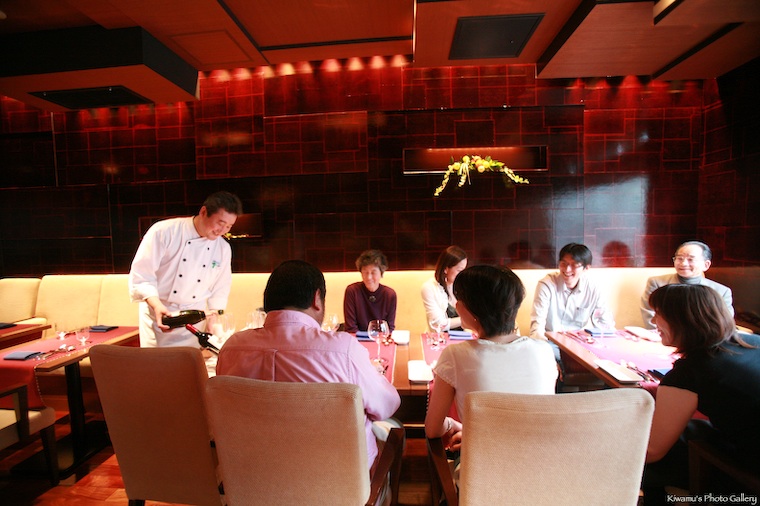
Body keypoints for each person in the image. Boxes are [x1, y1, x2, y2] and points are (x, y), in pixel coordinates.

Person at [216, 260, 401, 468]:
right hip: (339, 482)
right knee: (392, 430)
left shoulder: (231, 349)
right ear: (316, 299)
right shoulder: (343, 350)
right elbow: (387, 405)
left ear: (268, 300)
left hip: (251, 480)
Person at [642, 284, 760, 504]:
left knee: (650, 464)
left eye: (658, 314)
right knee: (690, 430)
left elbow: (652, 451)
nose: (653, 320)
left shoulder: (691, 372)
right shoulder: (754, 342)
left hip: (749, 475)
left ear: (682, 319)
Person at [425, 265, 558, 453]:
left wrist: (453, 425)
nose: (456, 305)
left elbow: (432, 430)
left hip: (483, 468)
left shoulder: (456, 355)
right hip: (541, 462)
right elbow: (534, 419)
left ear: (470, 309)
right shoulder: (544, 351)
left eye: (459, 300)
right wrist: (476, 435)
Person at [128, 191, 242, 348]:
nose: (222, 230)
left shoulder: (223, 248)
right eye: (220, 223)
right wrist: (157, 306)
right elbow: (142, 275)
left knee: (189, 361)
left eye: (228, 226)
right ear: (203, 212)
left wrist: (214, 317)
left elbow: (221, 286)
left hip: (195, 319)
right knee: (156, 362)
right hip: (160, 316)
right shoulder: (164, 232)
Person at [530, 243, 614, 341]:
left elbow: (605, 324)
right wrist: (543, 347)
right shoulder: (547, 285)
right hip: (550, 342)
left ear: (586, 268)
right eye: (563, 263)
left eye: (574, 265)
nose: (567, 269)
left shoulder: (593, 289)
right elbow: (537, 326)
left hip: (578, 342)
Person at [640, 241, 733, 329]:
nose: (683, 263)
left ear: (706, 265)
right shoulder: (657, 283)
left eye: (691, 259)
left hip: (704, 337)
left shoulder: (721, 291)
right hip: (663, 335)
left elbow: (724, 322)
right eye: (679, 258)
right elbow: (649, 313)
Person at [343, 249, 397, 332]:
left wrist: (376, 338)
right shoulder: (352, 291)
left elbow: (389, 328)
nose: (369, 277)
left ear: (381, 273)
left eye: (373, 272)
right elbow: (351, 328)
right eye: (365, 272)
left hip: (380, 338)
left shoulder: (390, 294)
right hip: (356, 339)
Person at [421, 246, 467, 332]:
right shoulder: (429, 287)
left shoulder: (463, 286)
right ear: (446, 269)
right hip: (440, 337)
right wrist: (468, 320)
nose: (462, 275)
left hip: (465, 336)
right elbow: (438, 324)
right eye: (459, 270)